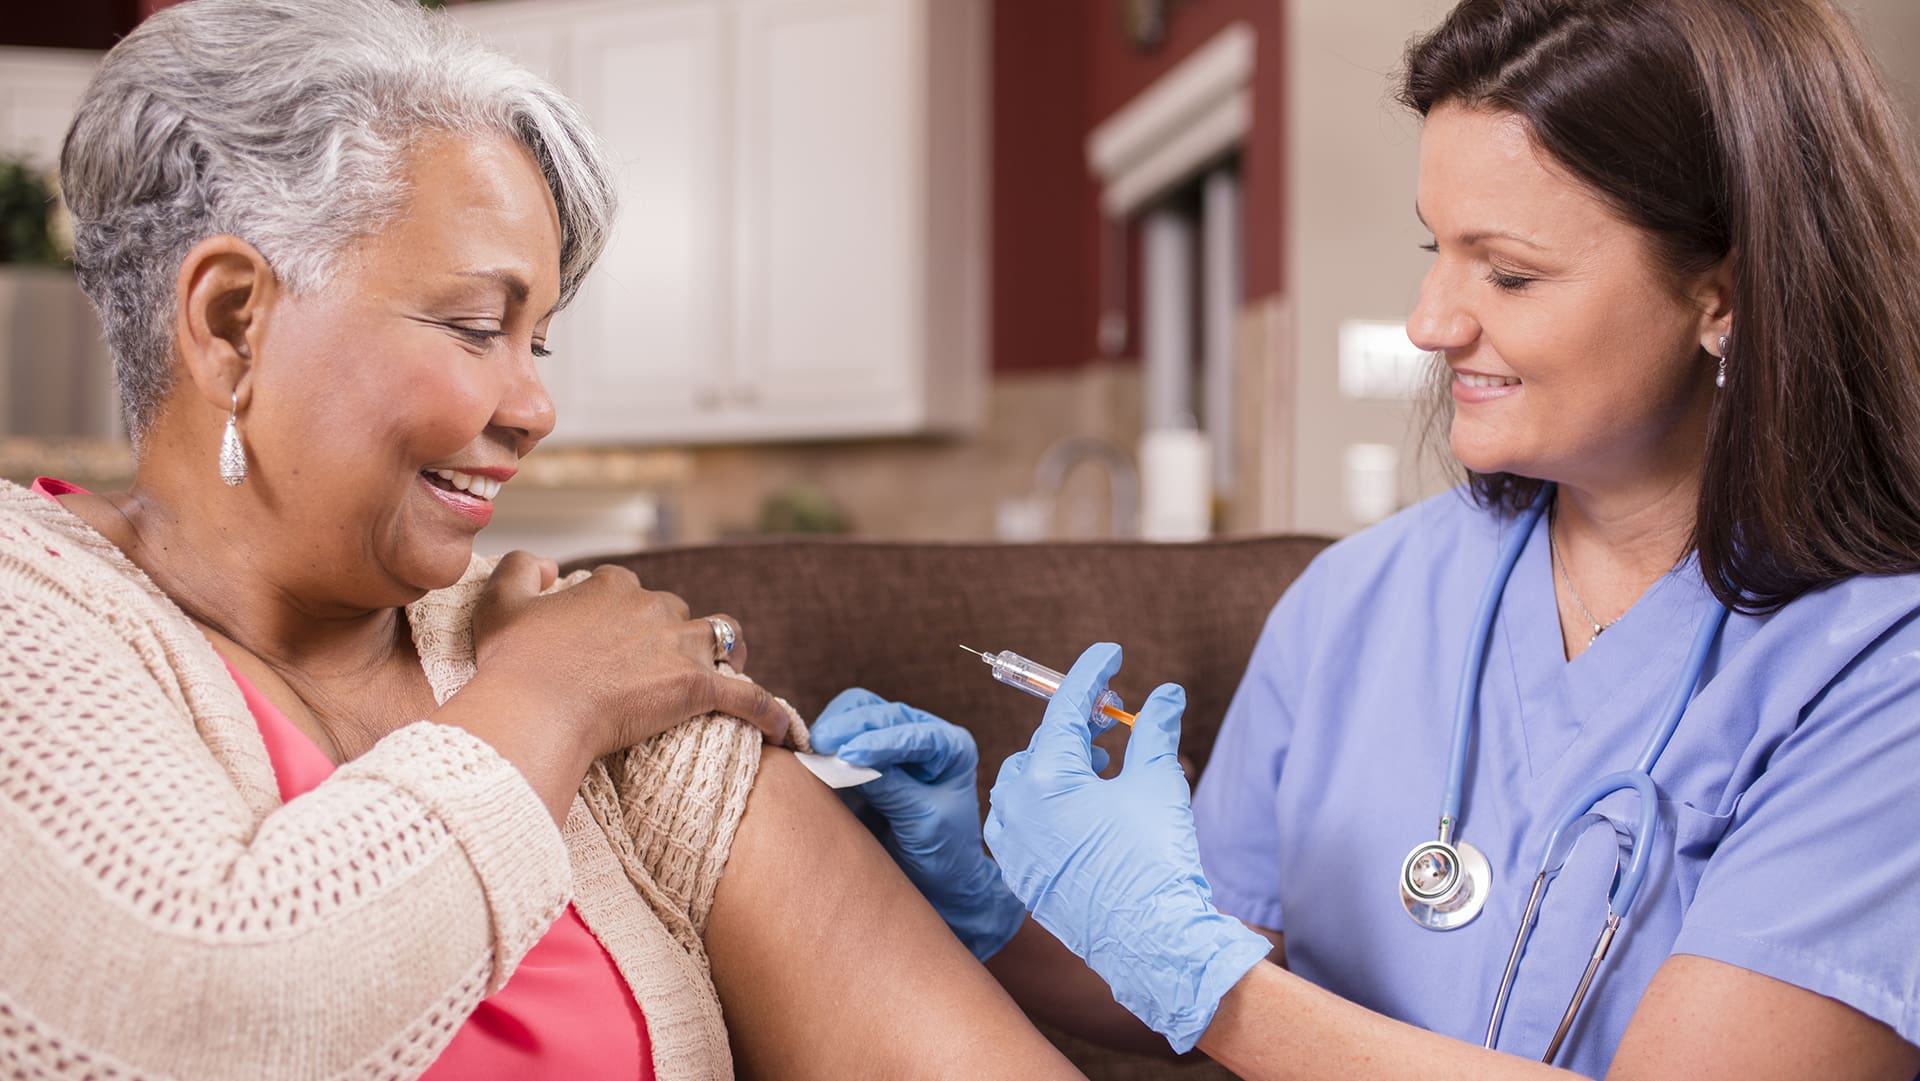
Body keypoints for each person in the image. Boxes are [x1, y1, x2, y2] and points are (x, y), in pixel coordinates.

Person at [814, 0, 1920, 1076]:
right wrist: (991, 902)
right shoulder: (1357, 599)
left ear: (1723, 294)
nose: (1431, 321)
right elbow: (1208, 976)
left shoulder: (1882, 673)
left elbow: (1221, 987)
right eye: (1436, 247)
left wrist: (1206, 975)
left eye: (1508, 271)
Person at [0, 0, 1084, 1077]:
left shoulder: (563, 649)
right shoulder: (32, 608)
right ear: (235, 319)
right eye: (477, 326)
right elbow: (200, 1019)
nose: (534, 408)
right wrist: (549, 701)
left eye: (541, 344)